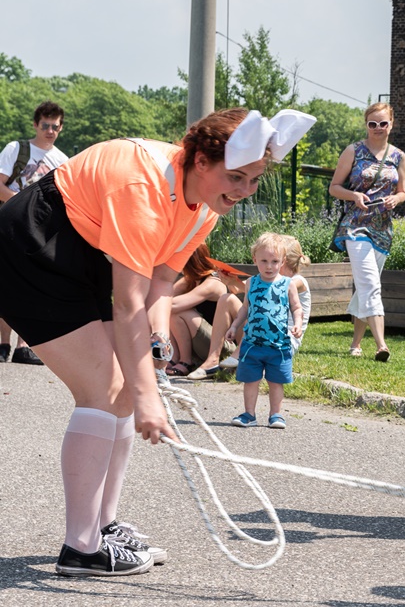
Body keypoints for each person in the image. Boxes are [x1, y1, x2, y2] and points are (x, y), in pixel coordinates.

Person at [0, 107, 315, 577]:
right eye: (236, 177)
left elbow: (160, 285)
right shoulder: (143, 188)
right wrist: (150, 401)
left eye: (254, 179)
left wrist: (158, 343)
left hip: (84, 253)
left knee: (126, 387)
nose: (245, 191)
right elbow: (128, 305)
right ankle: (81, 547)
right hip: (32, 245)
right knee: (107, 389)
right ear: (199, 162)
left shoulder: (205, 207)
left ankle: (101, 528)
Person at [327, 103, 405, 362]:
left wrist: (396, 199)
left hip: (382, 229)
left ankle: (355, 343)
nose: (378, 128)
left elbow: (402, 191)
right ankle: (381, 345)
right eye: (372, 123)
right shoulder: (354, 151)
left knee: (365, 286)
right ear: (366, 125)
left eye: (383, 123)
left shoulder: (398, 156)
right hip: (356, 225)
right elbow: (334, 187)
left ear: (391, 124)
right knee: (371, 284)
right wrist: (354, 195)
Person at [0, 100, 69, 365]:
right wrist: (21, 204)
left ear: (61, 128)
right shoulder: (17, 149)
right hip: (9, 222)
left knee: (32, 285)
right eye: (45, 125)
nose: (50, 130)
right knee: (6, 283)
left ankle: (24, 346)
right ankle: (3, 343)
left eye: (55, 126)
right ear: (35, 124)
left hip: (39, 229)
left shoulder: (63, 160)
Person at [228, 232, 304, 430]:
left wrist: (297, 323)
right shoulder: (251, 282)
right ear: (255, 260)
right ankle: (249, 414)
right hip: (252, 343)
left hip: (278, 345)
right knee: (250, 380)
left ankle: (276, 415)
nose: (269, 266)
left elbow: (296, 307)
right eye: (264, 261)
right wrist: (235, 325)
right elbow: (245, 307)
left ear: (283, 261)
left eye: (274, 261)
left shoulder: (288, 284)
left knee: (275, 381)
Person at [164, 244, 242, 377]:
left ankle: (185, 361)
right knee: (172, 312)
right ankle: (175, 358)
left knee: (179, 311)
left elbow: (172, 305)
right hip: (205, 341)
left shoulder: (213, 282)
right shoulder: (191, 280)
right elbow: (166, 296)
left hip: (224, 347)